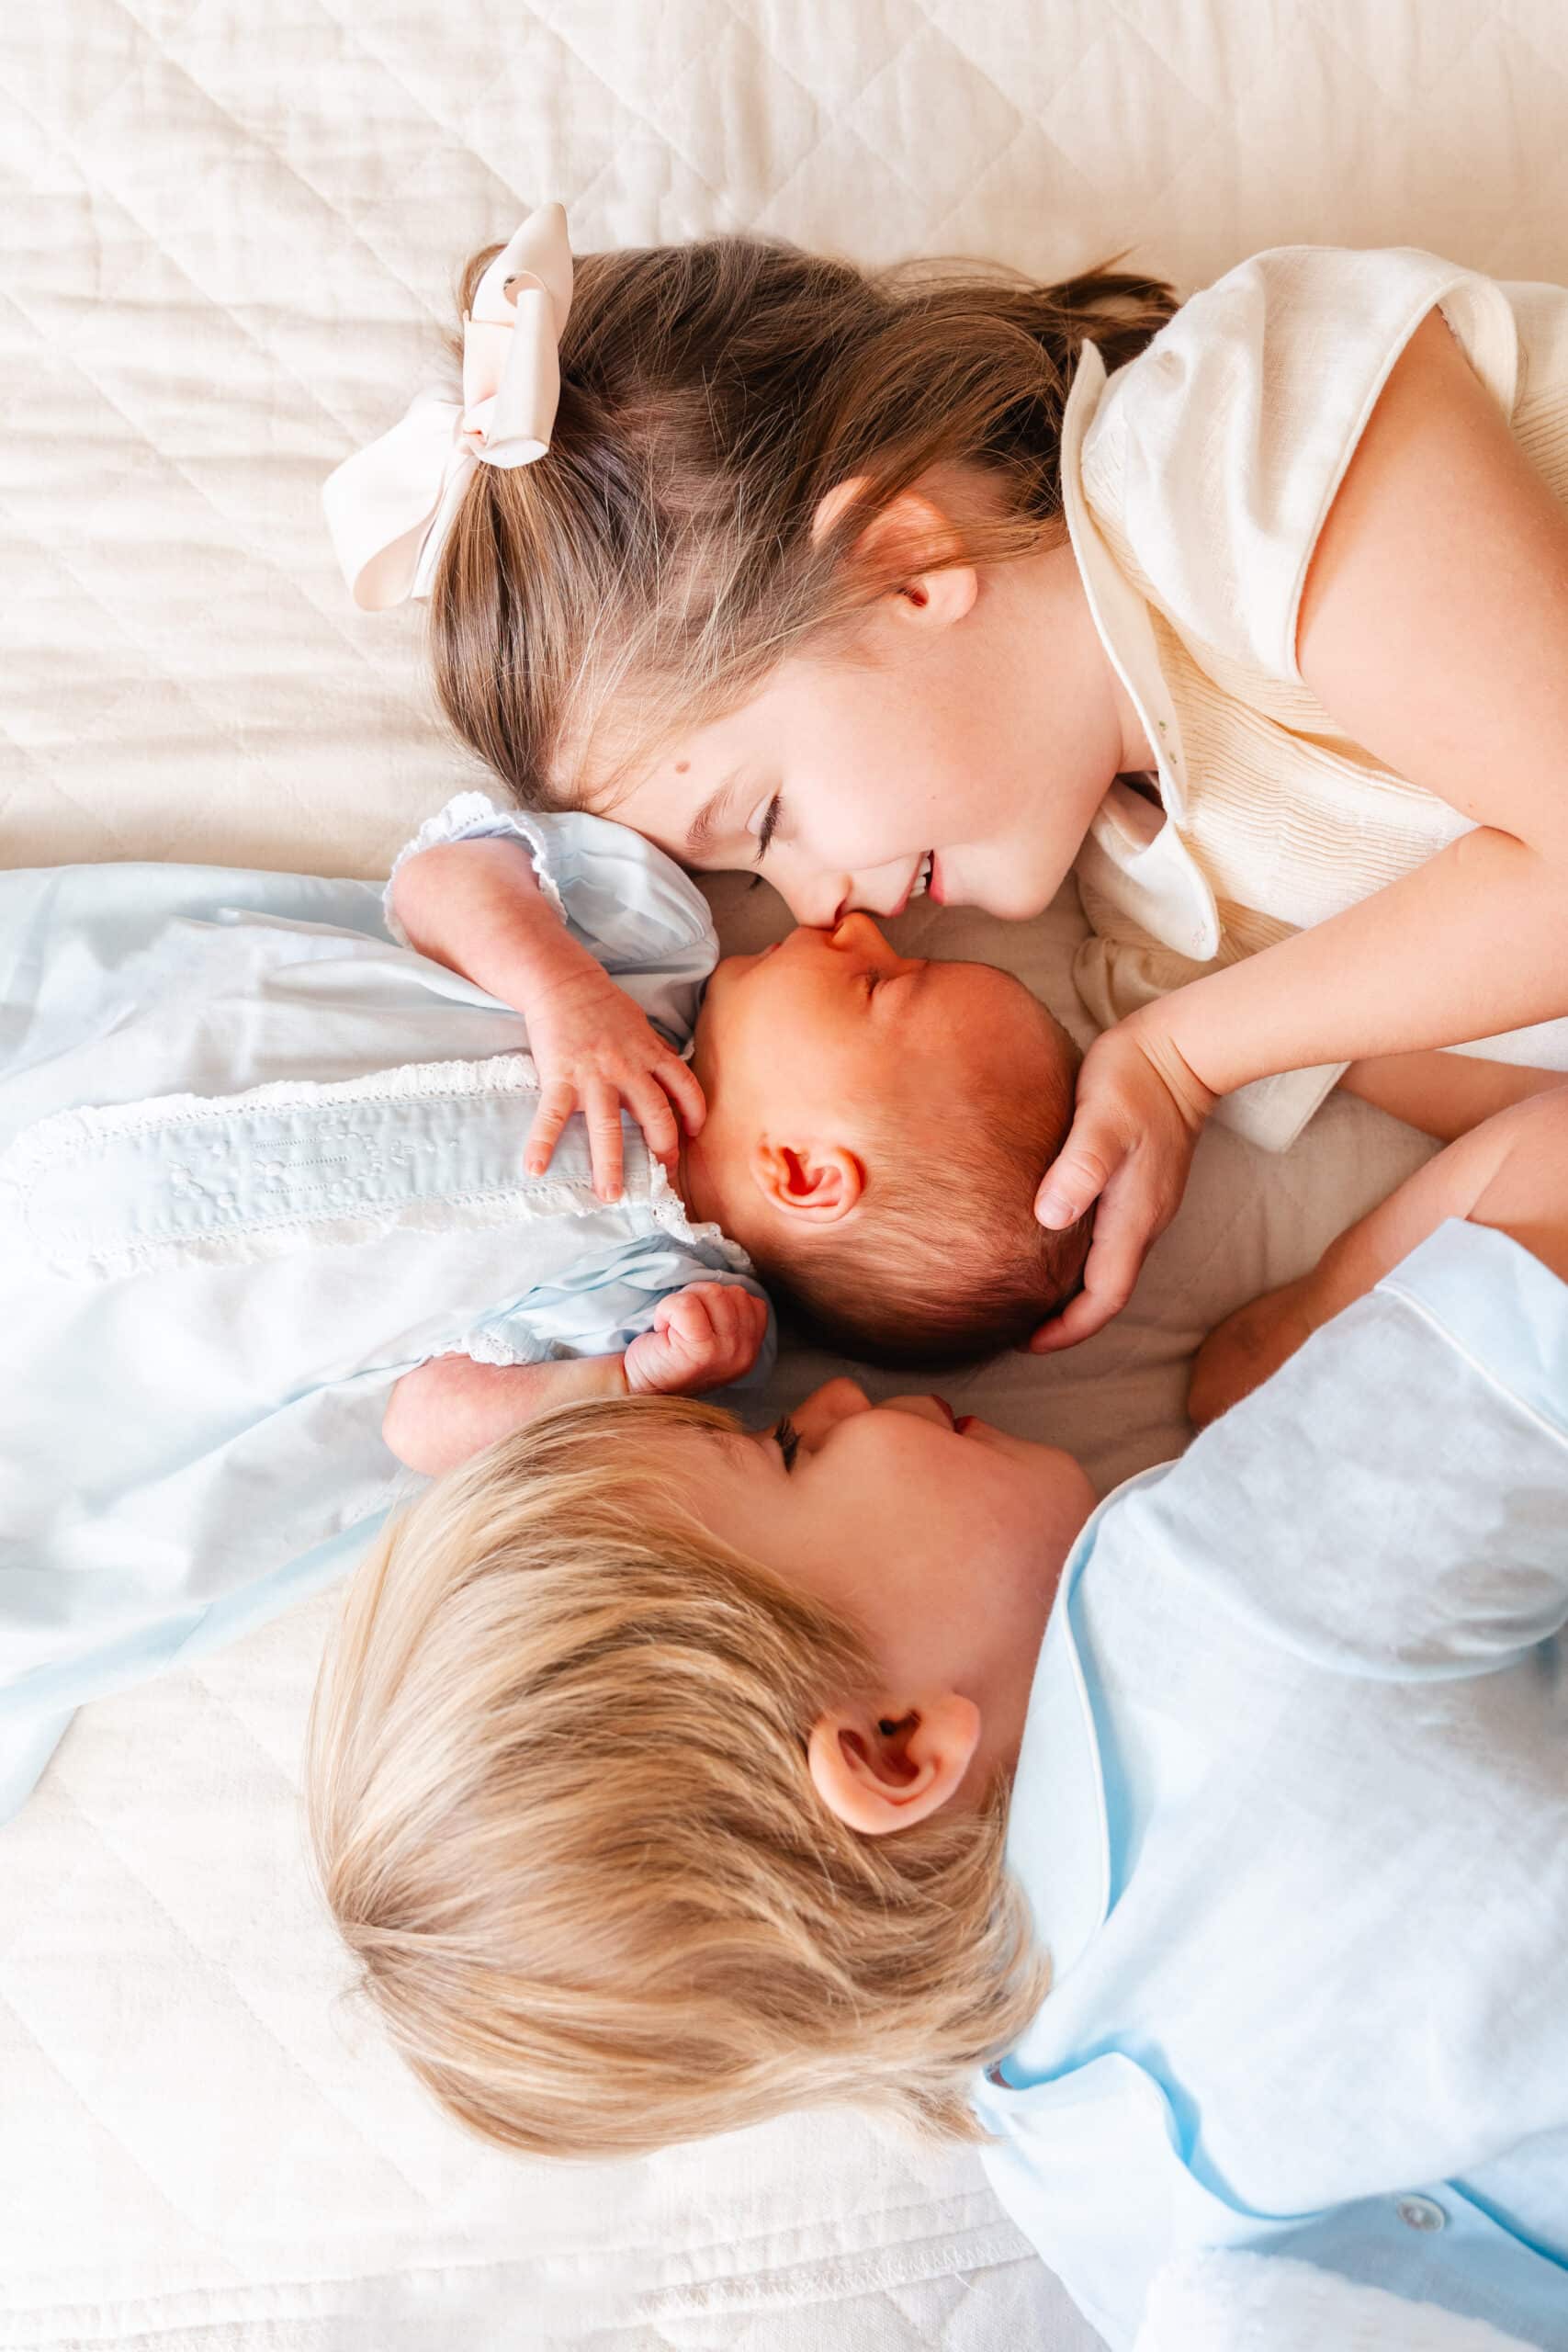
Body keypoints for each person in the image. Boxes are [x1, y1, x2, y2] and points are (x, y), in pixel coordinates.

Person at [311, 1082, 1568, 2352]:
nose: (833, 1395)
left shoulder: (1061, 2175)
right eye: (787, 1456)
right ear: (892, 1746)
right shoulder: (1222, 1595)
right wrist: (1290, 1335)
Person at [325, 204, 1568, 1354]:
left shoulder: (1235, 447)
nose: (816, 911)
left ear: (906, 566)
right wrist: (1330, 1318)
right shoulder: (1167, 938)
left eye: (765, 819)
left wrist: (1193, 1058)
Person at [0, 799, 1083, 1817]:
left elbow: (421, 1424)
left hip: (128, 1326)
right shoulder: (649, 965)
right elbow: (436, 882)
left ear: (804, 1171)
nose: (855, 930)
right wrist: (561, 988)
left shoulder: (664, 1321)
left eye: (883, 989)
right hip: (118, 1052)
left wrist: (616, 1384)